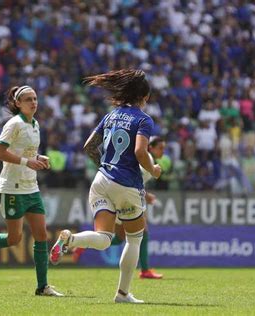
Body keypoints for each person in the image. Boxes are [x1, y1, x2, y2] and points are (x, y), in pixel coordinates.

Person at [50, 69, 161, 304]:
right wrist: (153, 169)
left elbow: (89, 146)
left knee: (104, 238)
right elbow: (140, 151)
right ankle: (122, 294)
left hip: (101, 180)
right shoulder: (143, 120)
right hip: (127, 185)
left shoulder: (111, 116)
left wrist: (107, 167)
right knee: (134, 239)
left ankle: (71, 240)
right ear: (145, 96)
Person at [0, 85, 63, 297]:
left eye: (35, 98)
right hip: (12, 188)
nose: (33, 102)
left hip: (31, 186)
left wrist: (39, 158)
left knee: (41, 235)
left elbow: (26, 151)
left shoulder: (35, 124)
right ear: (18, 103)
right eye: (28, 99)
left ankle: (42, 286)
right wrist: (28, 161)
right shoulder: (13, 124)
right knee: (14, 238)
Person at [72, 136, 166, 279]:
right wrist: (144, 196)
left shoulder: (143, 159)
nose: (162, 151)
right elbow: (132, 181)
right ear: (150, 147)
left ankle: (83, 243)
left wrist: (146, 195)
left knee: (117, 238)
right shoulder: (147, 161)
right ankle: (145, 270)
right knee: (142, 232)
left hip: (113, 191)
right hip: (123, 196)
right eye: (160, 148)